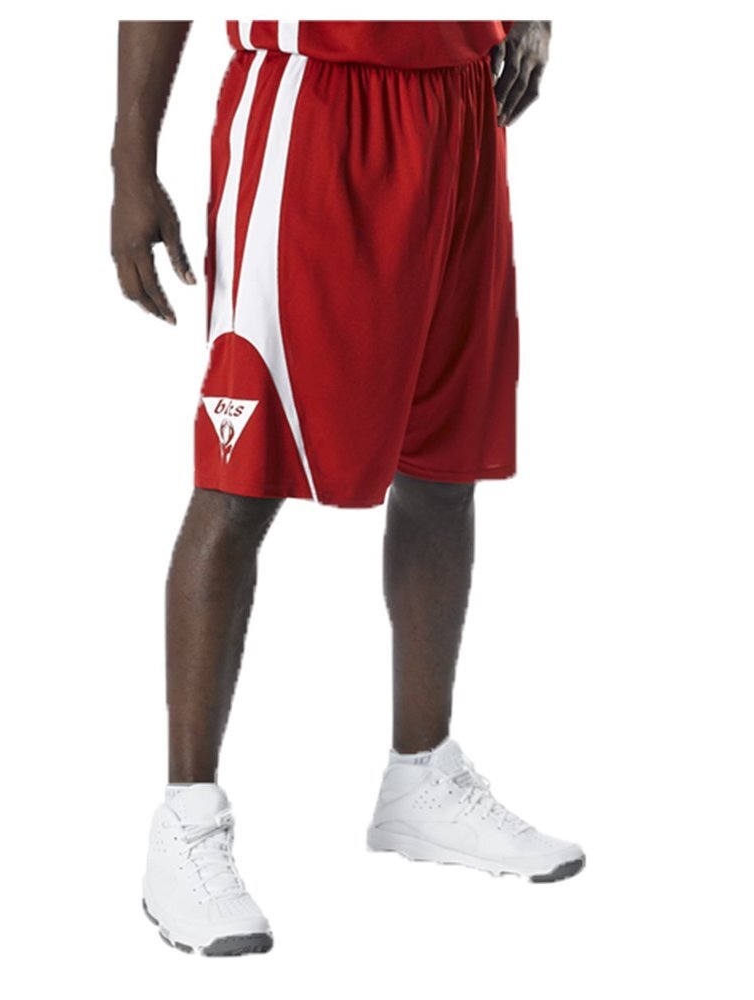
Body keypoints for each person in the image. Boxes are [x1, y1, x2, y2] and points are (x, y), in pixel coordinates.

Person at [111, 19, 584, 958]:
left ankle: (422, 776)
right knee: (241, 480)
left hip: (459, 108)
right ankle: (186, 823)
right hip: (313, 108)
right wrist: (132, 164)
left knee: (445, 463)